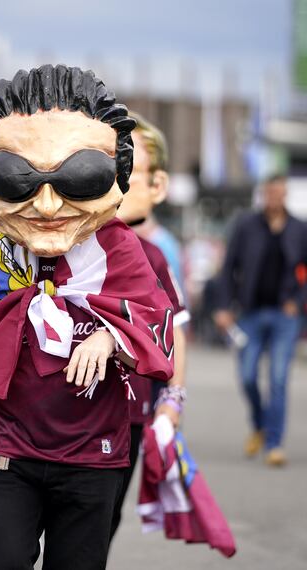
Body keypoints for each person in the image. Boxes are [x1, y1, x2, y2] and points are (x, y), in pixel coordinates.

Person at [0, 65, 175, 570]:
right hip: (11, 451)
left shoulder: (123, 252)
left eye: (80, 176)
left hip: (92, 455)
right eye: (17, 179)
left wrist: (107, 337)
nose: (49, 203)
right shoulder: (1, 258)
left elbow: (156, 328)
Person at [110, 112, 190, 541]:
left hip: (130, 403)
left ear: (157, 186)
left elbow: (175, 326)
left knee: (101, 520)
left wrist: (171, 400)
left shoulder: (160, 251)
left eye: (128, 170)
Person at [212, 175, 307, 467]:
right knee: (248, 376)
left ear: (285, 195)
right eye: (269, 193)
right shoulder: (246, 225)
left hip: (285, 314)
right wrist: (223, 306)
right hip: (250, 312)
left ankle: (274, 444)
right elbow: (228, 267)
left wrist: (298, 302)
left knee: (278, 378)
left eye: (278, 193)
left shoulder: (299, 229)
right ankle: (259, 425)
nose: (273, 198)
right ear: (263, 195)